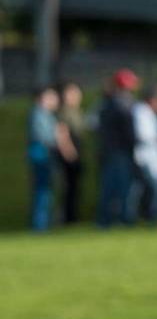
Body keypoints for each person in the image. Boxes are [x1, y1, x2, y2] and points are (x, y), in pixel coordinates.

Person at [96, 69, 138, 227]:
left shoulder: (107, 104)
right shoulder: (121, 105)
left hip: (111, 151)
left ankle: (107, 220)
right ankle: (121, 219)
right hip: (119, 151)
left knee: (110, 187)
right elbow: (128, 131)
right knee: (120, 188)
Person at [27, 86, 70, 231]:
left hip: (46, 156)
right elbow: (42, 136)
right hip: (41, 156)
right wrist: (59, 135)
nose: (55, 100)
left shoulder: (47, 115)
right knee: (42, 191)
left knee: (46, 190)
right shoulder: (38, 114)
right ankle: (39, 226)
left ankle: (44, 223)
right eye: (52, 97)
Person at [129, 85, 157, 224]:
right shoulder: (141, 111)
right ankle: (151, 216)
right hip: (146, 156)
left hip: (152, 156)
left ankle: (150, 215)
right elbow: (143, 135)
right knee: (151, 187)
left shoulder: (147, 112)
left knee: (146, 188)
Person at [57, 81, 86, 224]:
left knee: (75, 187)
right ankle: (68, 218)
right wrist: (68, 150)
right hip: (70, 154)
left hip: (77, 152)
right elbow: (62, 132)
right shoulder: (65, 112)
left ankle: (72, 217)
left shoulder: (76, 111)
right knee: (69, 187)